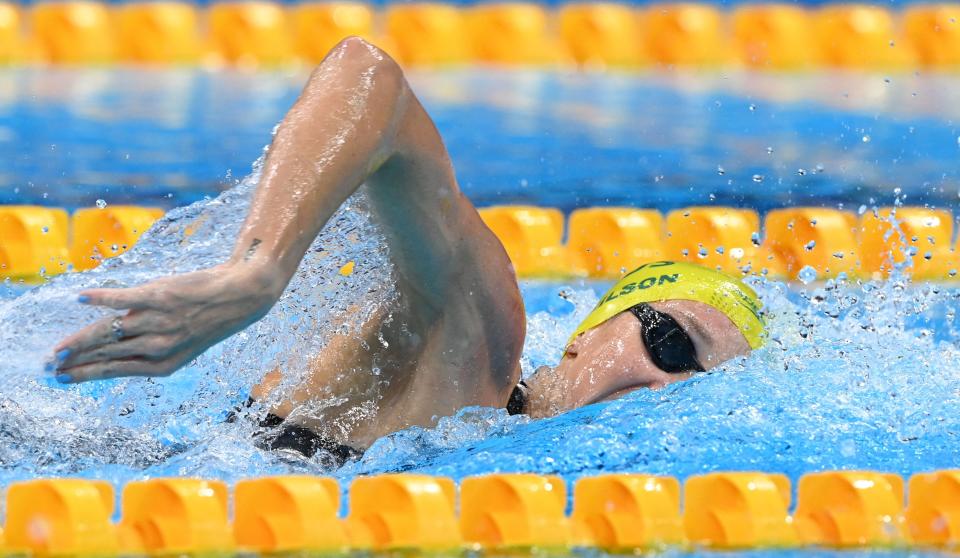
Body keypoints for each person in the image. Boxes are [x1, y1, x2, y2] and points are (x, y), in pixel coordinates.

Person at [49, 37, 765, 462]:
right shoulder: (480, 343)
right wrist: (259, 271)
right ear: (586, 335)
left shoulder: (522, 451)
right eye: (671, 343)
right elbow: (370, 78)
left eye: (704, 387)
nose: (671, 387)